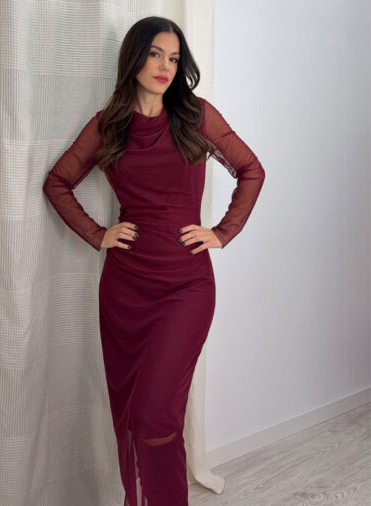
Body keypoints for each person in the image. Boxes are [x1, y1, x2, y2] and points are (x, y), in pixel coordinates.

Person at [43, 15, 265, 506]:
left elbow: (251, 169)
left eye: (174, 57)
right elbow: (57, 182)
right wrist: (99, 234)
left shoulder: (197, 116)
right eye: (155, 54)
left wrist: (222, 232)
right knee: (131, 413)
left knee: (154, 415)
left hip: (186, 286)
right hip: (125, 288)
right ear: (134, 58)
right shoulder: (108, 125)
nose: (166, 66)